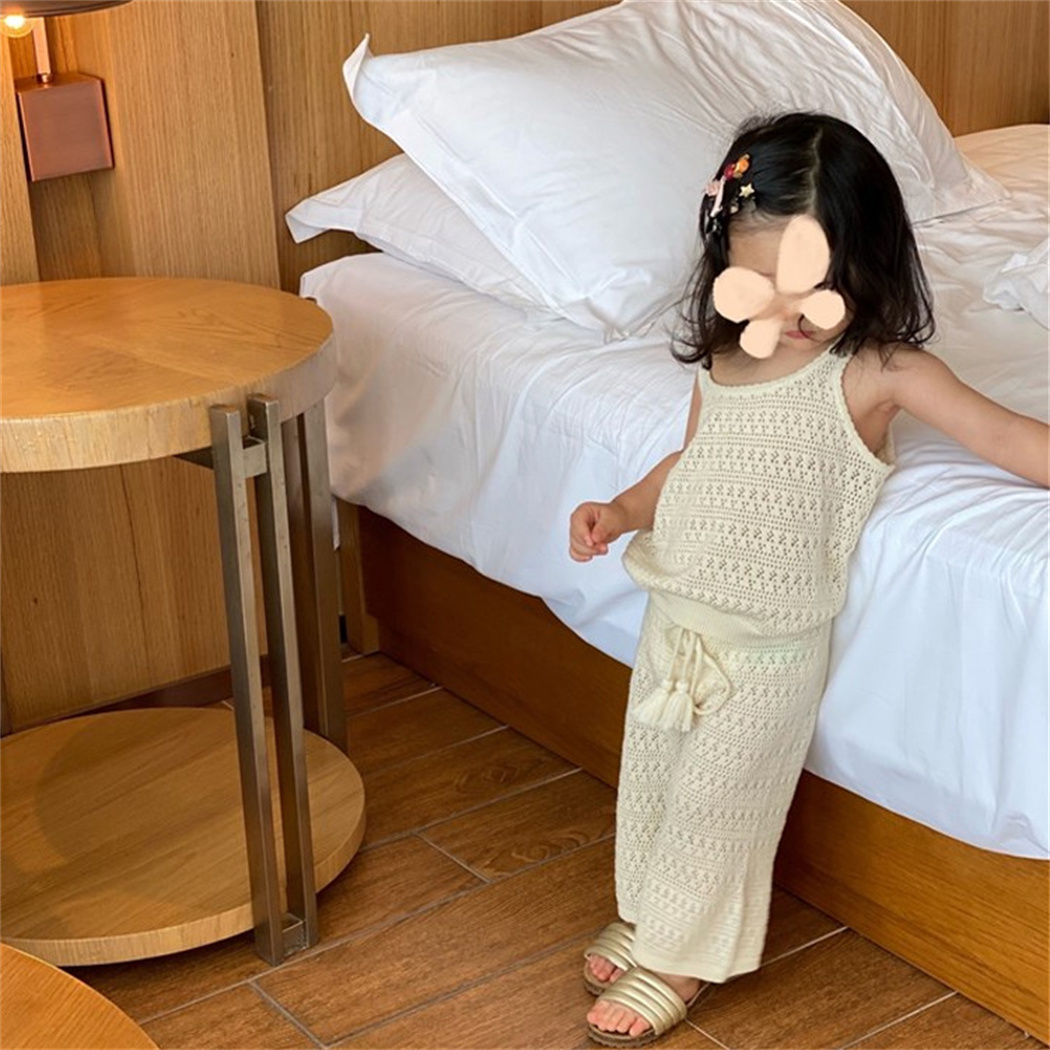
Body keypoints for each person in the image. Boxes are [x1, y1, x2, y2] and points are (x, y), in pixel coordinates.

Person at [568, 111, 1049, 1048]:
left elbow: (1004, 434)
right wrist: (623, 509)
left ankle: (682, 957)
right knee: (655, 783)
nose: (783, 316)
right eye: (758, 286)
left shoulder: (878, 372)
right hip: (677, 621)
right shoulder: (725, 359)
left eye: (812, 288)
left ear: (865, 262)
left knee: (718, 805)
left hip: (768, 649)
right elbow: (694, 463)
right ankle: (650, 914)